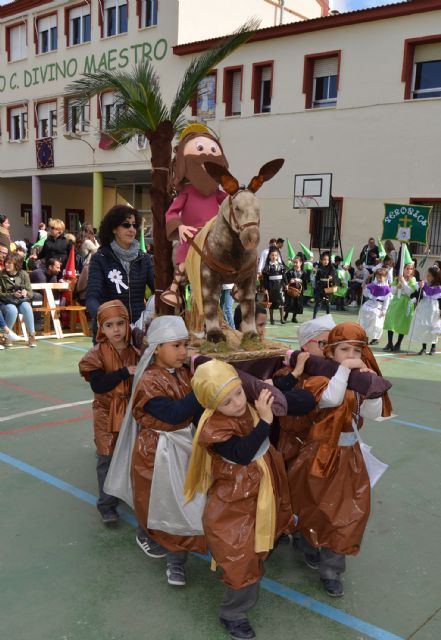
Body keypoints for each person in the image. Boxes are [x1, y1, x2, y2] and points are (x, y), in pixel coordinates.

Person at [185, 359, 292, 640]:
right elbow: (243, 453)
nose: (237, 403)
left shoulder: (247, 408)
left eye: (238, 393)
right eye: (227, 401)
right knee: (239, 559)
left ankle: (241, 594)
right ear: (211, 405)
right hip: (233, 505)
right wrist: (266, 420)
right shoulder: (214, 429)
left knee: (255, 551)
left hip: (258, 495)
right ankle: (233, 613)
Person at [289, 322, 392, 597]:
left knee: (346, 514)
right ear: (330, 352)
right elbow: (330, 400)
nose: (350, 355)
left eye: (356, 350)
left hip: (349, 457)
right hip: (319, 454)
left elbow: (372, 413)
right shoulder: (320, 379)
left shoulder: (359, 379)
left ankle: (332, 569)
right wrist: (345, 371)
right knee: (314, 506)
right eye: (343, 349)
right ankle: (308, 543)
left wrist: (372, 387)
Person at [128, 316, 206, 584]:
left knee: (188, 500)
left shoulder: (183, 373)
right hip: (159, 451)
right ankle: (175, 561)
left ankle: (184, 550)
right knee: (167, 505)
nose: (184, 352)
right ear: (157, 348)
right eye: (177, 345)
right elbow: (173, 414)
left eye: (185, 345)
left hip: (185, 445)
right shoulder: (149, 381)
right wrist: (203, 387)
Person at [78, 301, 139, 523]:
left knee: (132, 455)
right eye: (109, 325)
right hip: (106, 412)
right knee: (107, 456)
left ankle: (128, 493)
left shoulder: (136, 351)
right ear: (101, 329)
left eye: (121, 323)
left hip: (131, 412)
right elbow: (99, 385)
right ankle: (106, 504)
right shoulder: (96, 354)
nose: (116, 330)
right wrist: (124, 372)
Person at [161, 125, 229, 306]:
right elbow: (172, 212)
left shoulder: (217, 193)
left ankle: (235, 284)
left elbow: (231, 202)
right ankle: (174, 289)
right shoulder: (187, 192)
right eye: (199, 149)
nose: (207, 154)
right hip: (193, 236)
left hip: (214, 238)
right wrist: (180, 226)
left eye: (213, 150)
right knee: (184, 258)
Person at [86, 205, 154, 339]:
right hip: (111, 333)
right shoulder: (100, 259)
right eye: (126, 225)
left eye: (134, 225)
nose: (132, 230)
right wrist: (106, 318)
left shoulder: (144, 259)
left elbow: (159, 290)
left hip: (138, 333)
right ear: (114, 228)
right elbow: (92, 298)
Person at [0, 253, 36, 347]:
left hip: (20, 301)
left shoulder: (24, 274)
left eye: (9, 263)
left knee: (26, 306)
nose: (6, 264)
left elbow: (30, 293)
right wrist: (12, 295)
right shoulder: (1, 274)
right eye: (6, 262)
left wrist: (25, 293)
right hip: (6, 302)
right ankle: (7, 336)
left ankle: (32, 336)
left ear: (16, 264)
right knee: (12, 309)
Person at [383, 261, 418, 352]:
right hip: (396, 301)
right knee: (391, 321)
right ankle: (389, 343)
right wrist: (397, 287)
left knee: (402, 323)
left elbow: (409, 291)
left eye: (411, 269)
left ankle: (398, 343)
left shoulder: (413, 279)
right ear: (403, 269)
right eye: (407, 268)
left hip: (405, 303)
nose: (409, 271)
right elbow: (392, 291)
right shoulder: (397, 278)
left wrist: (403, 282)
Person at [411, 267, 441, 355]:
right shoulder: (424, 285)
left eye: (429, 275)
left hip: (434, 308)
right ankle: (423, 348)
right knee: (423, 326)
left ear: (435, 277)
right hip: (424, 307)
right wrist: (420, 288)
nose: (427, 277)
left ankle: (433, 346)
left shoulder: (439, 288)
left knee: (432, 327)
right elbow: (417, 296)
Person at [359, 267, 392, 345]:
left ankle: (375, 338)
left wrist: (384, 310)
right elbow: (366, 294)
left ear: (385, 277)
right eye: (377, 277)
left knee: (376, 322)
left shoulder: (386, 288)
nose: (378, 279)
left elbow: (387, 300)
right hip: (369, 304)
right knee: (365, 320)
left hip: (378, 306)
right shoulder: (372, 285)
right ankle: (365, 337)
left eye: (380, 277)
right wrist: (364, 288)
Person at [263, 247, 286, 325]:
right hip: (271, 287)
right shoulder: (267, 267)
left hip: (279, 286)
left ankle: (282, 318)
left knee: (281, 302)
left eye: (275, 255)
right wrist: (266, 288)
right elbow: (265, 279)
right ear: (269, 256)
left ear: (277, 256)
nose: (274, 257)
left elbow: (284, 276)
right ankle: (271, 319)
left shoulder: (281, 266)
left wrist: (286, 284)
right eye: (272, 255)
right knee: (271, 303)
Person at [284, 255, 307, 323]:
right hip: (291, 290)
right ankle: (285, 316)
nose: (295, 264)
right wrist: (287, 284)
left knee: (297, 303)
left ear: (301, 263)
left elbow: (305, 281)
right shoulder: (290, 272)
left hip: (299, 290)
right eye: (294, 262)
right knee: (289, 303)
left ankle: (294, 317)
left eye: (296, 262)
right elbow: (286, 279)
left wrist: (304, 288)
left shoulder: (303, 272)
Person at [313, 252, 336, 319]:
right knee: (318, 302)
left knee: (327, 302)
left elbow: (334, 277)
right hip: (320, 287)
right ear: (321, 260)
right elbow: (316, 278)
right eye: (324, 259)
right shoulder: (319, 268)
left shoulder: (331, 268)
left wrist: (331, 278)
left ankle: (328, 317)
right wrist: (318, 284)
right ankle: (314, 317)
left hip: (328, 287)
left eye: (327, 260)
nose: (326, 261)